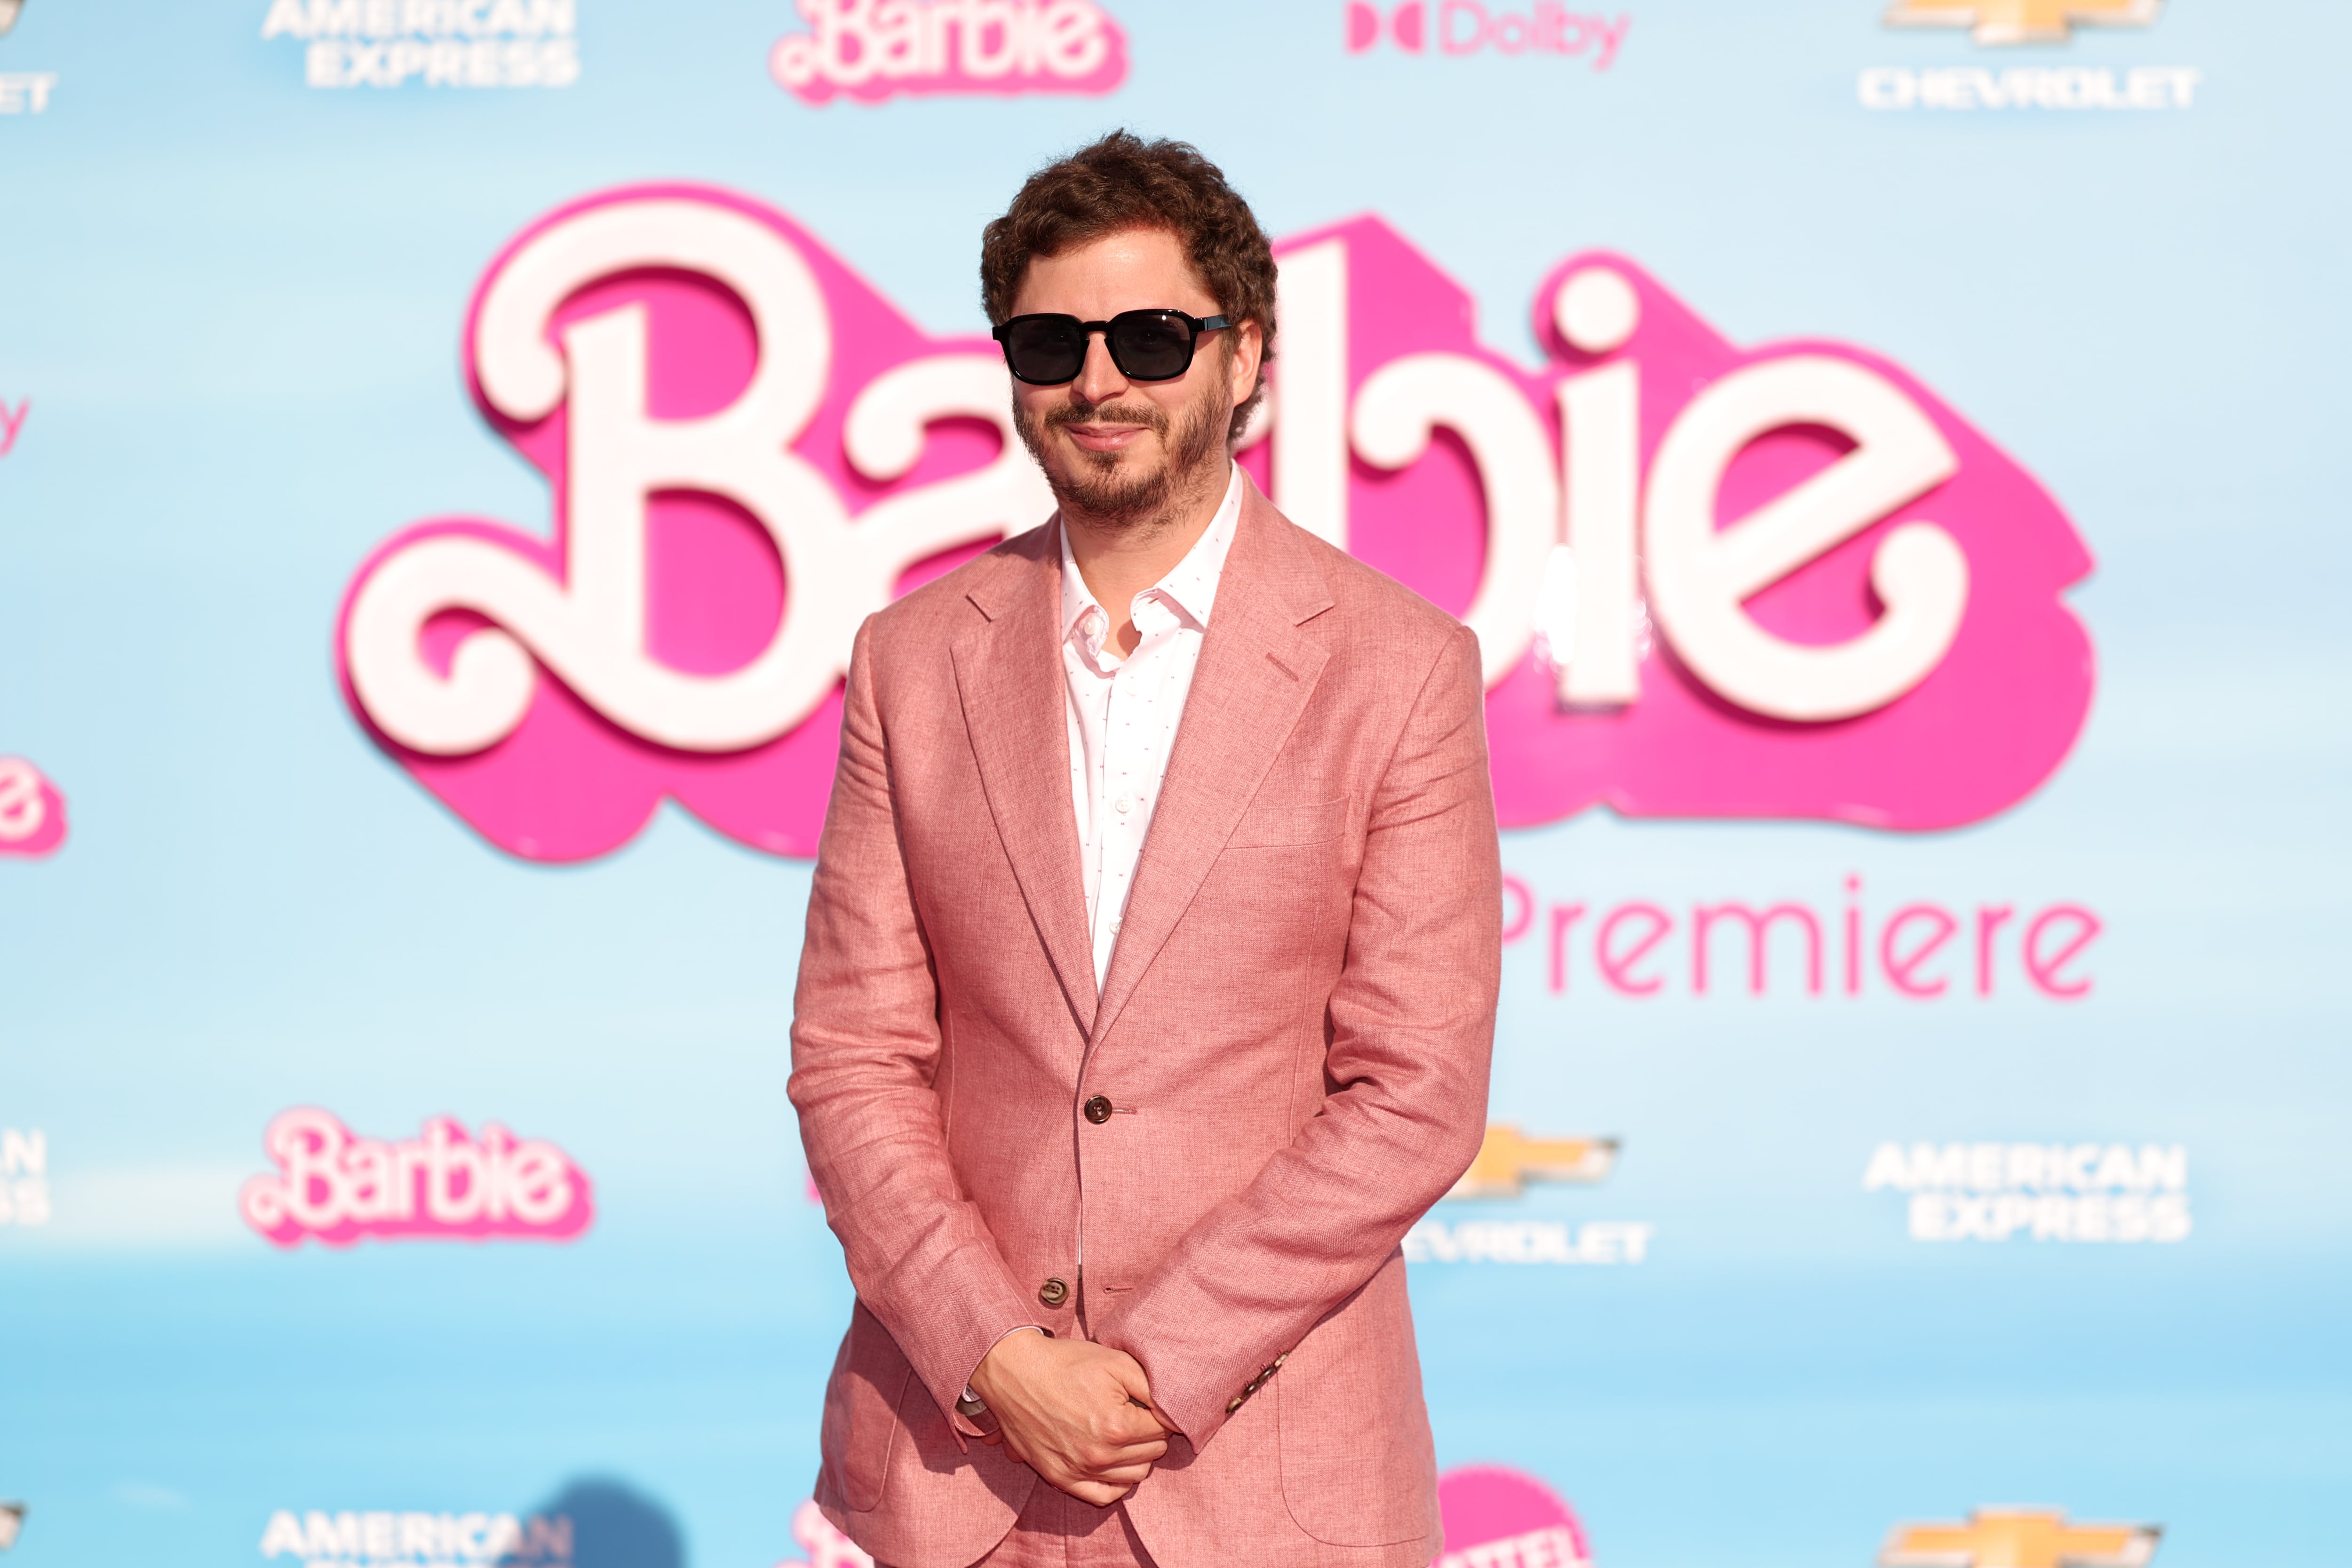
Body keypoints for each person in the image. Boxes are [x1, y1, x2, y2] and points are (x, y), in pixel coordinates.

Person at [788, 130, 1501, 1568]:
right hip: (956, 1470)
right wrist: (998, 1356)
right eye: (1052, 340)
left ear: (1247, 360)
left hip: (1267, 1481)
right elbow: (854, 1056)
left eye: (1152, 337)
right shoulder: (911, 661)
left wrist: (1145, 1375)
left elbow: (1414, 1093)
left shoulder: (1397, 667)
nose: (1098, 380)